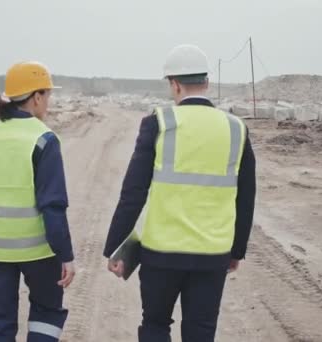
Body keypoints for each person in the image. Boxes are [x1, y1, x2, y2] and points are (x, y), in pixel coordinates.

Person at [103, 45, 257, 342]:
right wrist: (237, 250)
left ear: (174, 84)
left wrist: (115, 246)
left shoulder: (158, 124)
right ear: (207, 83)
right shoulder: (237, 129)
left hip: (161, 254)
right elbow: (246, 196)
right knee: (200, 332)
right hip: (212, 255)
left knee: (155, 325)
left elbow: (133, 193)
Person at [0, 61, 75, 342]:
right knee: (46, 314)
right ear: (36, 97)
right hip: (40, 254)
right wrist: (66, 256)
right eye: (48, 95)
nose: (49, 102)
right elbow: (53, 207)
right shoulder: (44, 139)